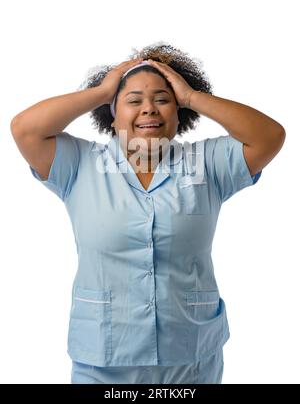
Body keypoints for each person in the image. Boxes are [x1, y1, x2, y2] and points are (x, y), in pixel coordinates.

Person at [10, 42, 286, 384]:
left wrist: (192, 96)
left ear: (178, 112)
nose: (149, 109)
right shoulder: (80, 164)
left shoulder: (206, 164)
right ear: (112, 115)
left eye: (162, 99)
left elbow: (269, 136)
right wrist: (102, 90)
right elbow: (25, 128)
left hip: (191, 357)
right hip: (103, 360)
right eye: (133, 100)